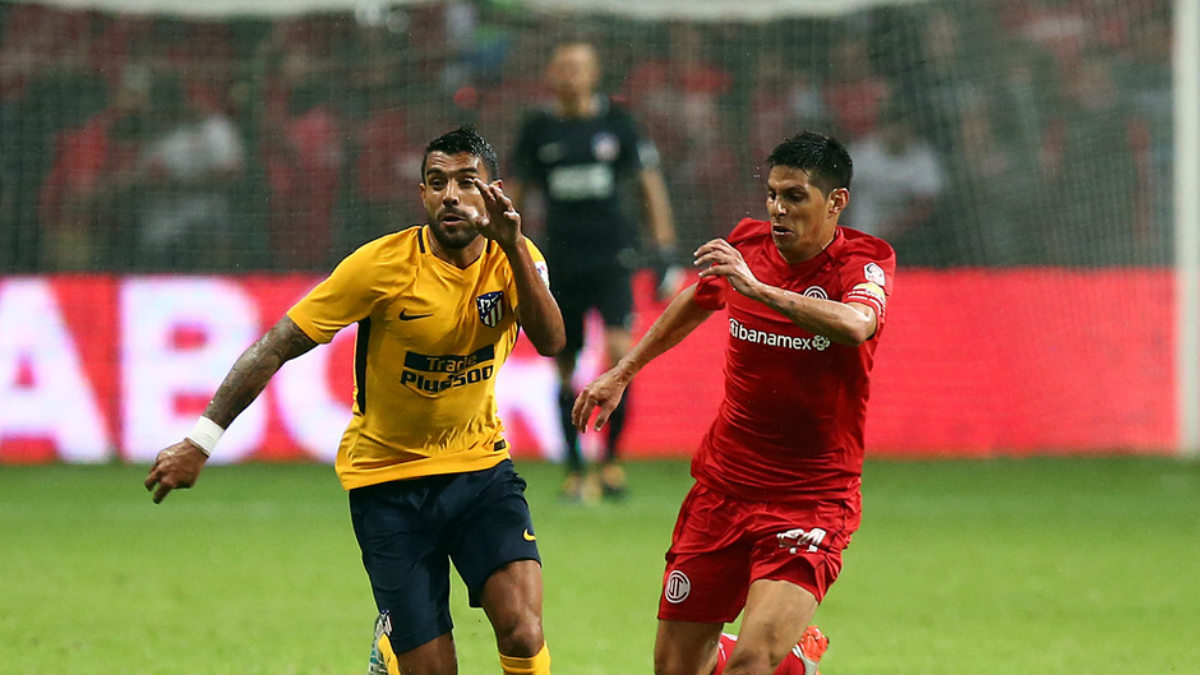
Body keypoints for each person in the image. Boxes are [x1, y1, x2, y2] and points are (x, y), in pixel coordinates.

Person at [144, 127, 565, 675]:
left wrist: (511, 246)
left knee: (524, 631)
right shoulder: (380, 266)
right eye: (437, 183)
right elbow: (276, 346)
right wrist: (201, 440)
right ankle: (393, 646)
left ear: (495, 192)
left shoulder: (517, 257)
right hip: (387, 484)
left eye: (467, 182)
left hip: (479, 470)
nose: (451, 196)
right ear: (422, 194)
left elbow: (553, 341)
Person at [573, 131, 895, 675]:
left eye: (795, 196)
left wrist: (760, 290)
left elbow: (857, 324)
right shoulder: (746, 247)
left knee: (751, 665)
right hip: (722, 490)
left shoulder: (863, 261)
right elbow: (697, 299)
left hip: (810, 498)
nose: (778, 208)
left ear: (835, 202)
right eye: (772, 194)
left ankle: (781, 656)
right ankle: (796, 660)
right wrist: (623, 371)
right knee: (675, 668)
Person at [508, 40, 680, 502]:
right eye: (562, 67)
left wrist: (663, 248)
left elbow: (649, 185)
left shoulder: (618, 124)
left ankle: (611, 462)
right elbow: (517, 193)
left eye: (578, 67)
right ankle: (575, 468)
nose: (570, 75)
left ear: (594, 73)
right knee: (565, 367)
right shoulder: (538, 129)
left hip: (613, 258)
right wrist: (505, 250)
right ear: (551, 74)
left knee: (622, 356)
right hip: (561, 261)